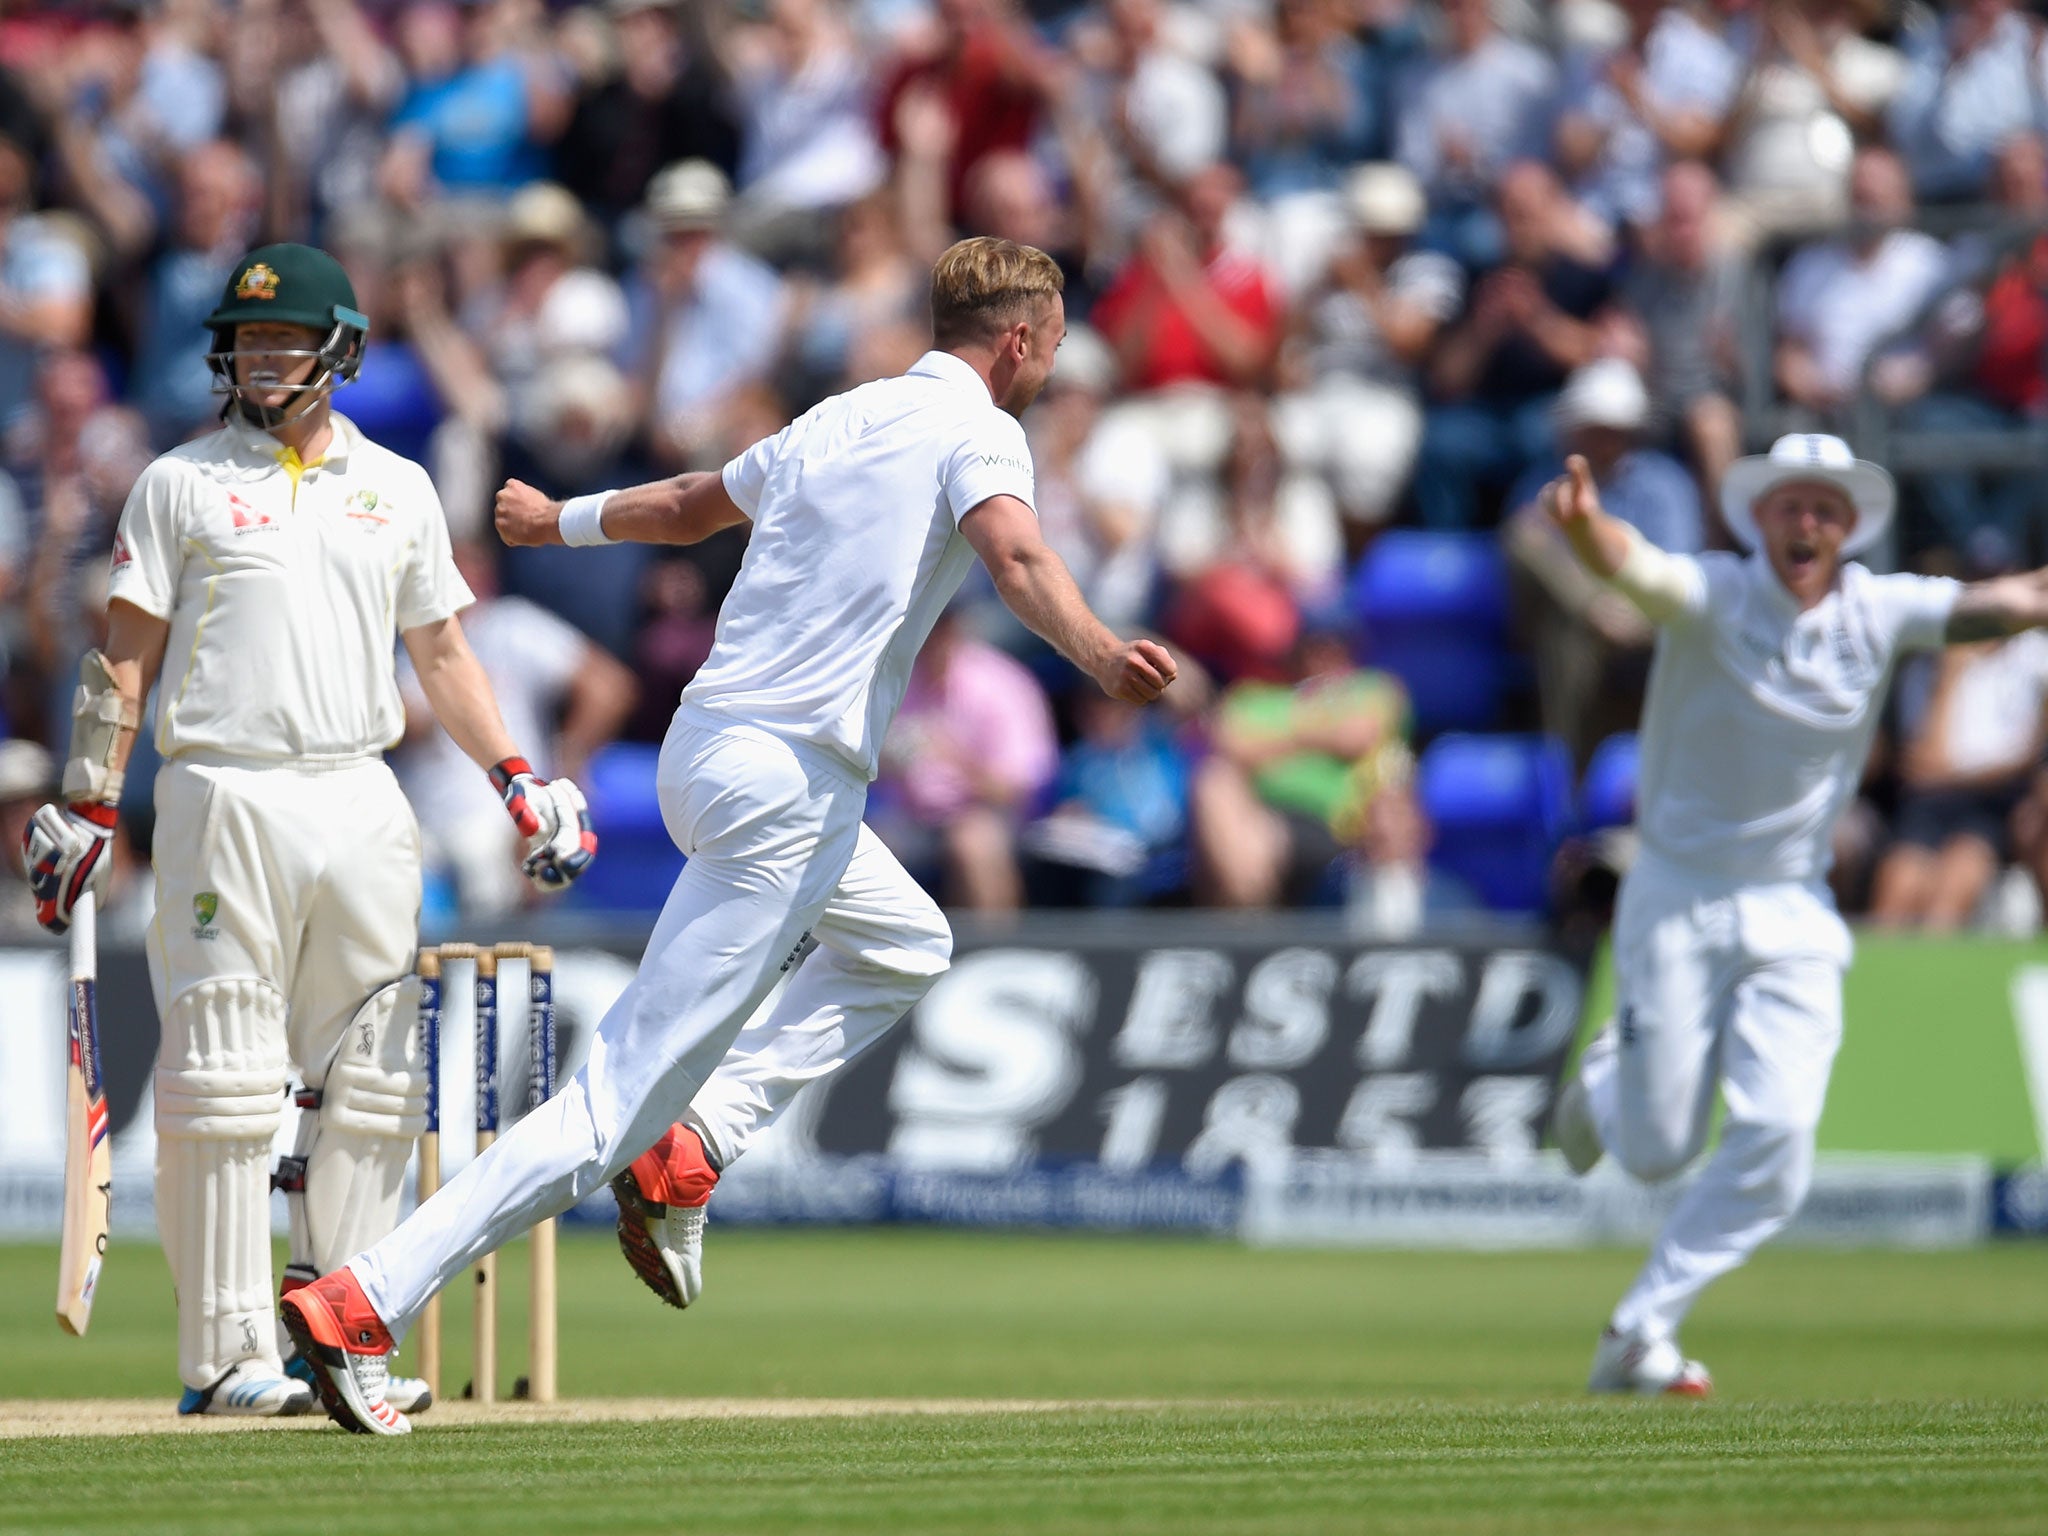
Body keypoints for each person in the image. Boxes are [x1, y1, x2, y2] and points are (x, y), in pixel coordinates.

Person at [282, 237, 1176, 1433]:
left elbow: (691, 505)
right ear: (1016, 339)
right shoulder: (983, 431)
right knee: (606, 1110)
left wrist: (558, 522)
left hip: (701, 754)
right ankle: (366, 1298)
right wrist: (1102, 655)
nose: (1052, 365)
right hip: (791, 786)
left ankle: (698, 1144)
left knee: (908, 943)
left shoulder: (837, 416)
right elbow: (1014, 553)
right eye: (1053, 343)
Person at [19, 243, 596, 1422]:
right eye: (245, 340)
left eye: (284, 341)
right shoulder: (179, 481)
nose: (259, 358)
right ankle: (229, 1358)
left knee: (378, 1078)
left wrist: (519, 781)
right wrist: (87, 797)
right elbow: (124, 655)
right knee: (227, 1079)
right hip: (224, 791)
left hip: (362, 791)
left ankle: (346, 1327)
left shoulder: (397, 487)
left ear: (338, 352)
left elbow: (441, 654)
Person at [1541, 432, 2048, 1395]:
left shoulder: (1881, 610)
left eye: (1825, 508)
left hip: (1794, 909)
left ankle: (1636, 1335)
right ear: (1760, 519)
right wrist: (1584, 527)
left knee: (1779, 1142)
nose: (1807, 522)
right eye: (1790, 506)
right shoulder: (1715, 594)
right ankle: (1611, 1079)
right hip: (1679, 897)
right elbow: (1633, 567)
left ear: (1849, 526)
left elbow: (2011, 604)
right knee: (1654, 1153)